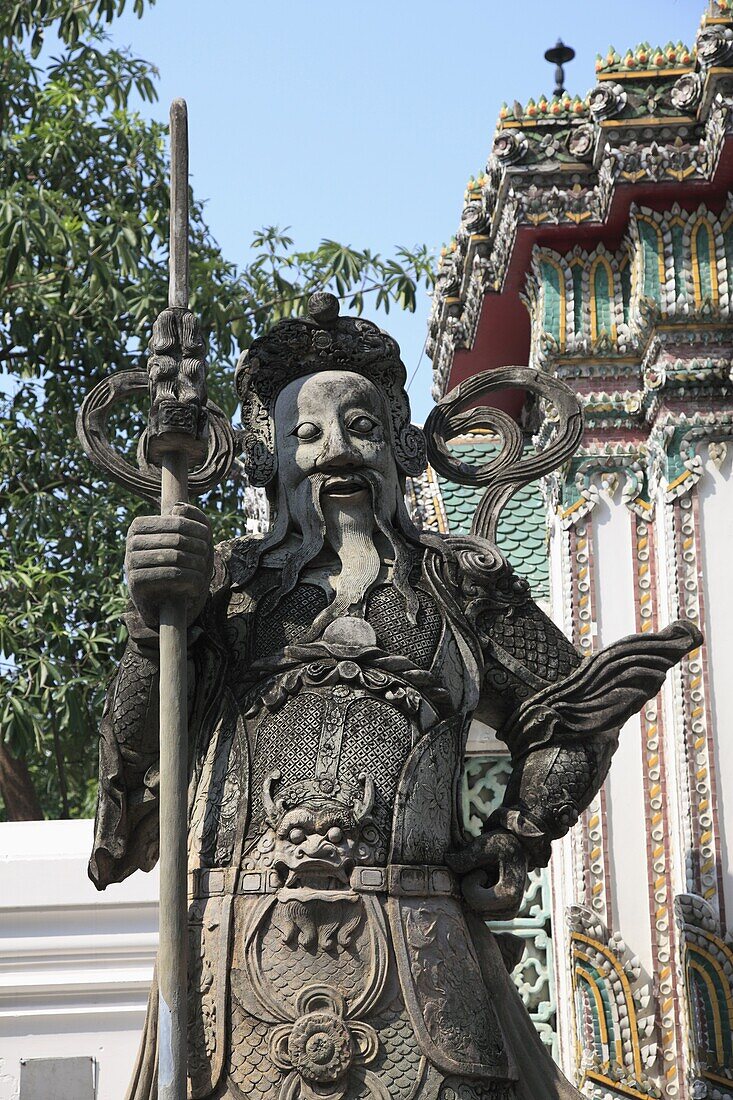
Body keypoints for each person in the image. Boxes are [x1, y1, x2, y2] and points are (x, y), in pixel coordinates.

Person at [89, 293, 699, 1100]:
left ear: (403, 449)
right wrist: (150, 619)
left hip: (419, 946)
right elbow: (134, 757)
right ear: (266, 460)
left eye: (362, 428)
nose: (335, 449)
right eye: (303, 435)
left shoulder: (457, 584)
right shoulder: (223, 588)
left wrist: (515, 833)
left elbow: (571, 716)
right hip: (232, 954)